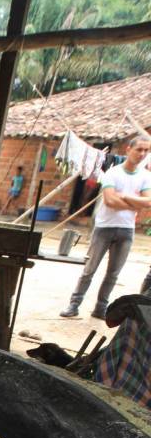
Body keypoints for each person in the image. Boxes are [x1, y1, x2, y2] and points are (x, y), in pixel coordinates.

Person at [60, 135, 151, 320]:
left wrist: (124, 196)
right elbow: (109, 200)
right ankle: (74, 304)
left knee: (113, 274)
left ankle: (101, 308)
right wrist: (135, 202)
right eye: (139, 149)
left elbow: (148, 202)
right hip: (104, 227)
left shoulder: (145, 177)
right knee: (89, 270)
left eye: (146, 151)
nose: (142, 154)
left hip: (127, 229)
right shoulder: (113, 172)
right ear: (128, 149)